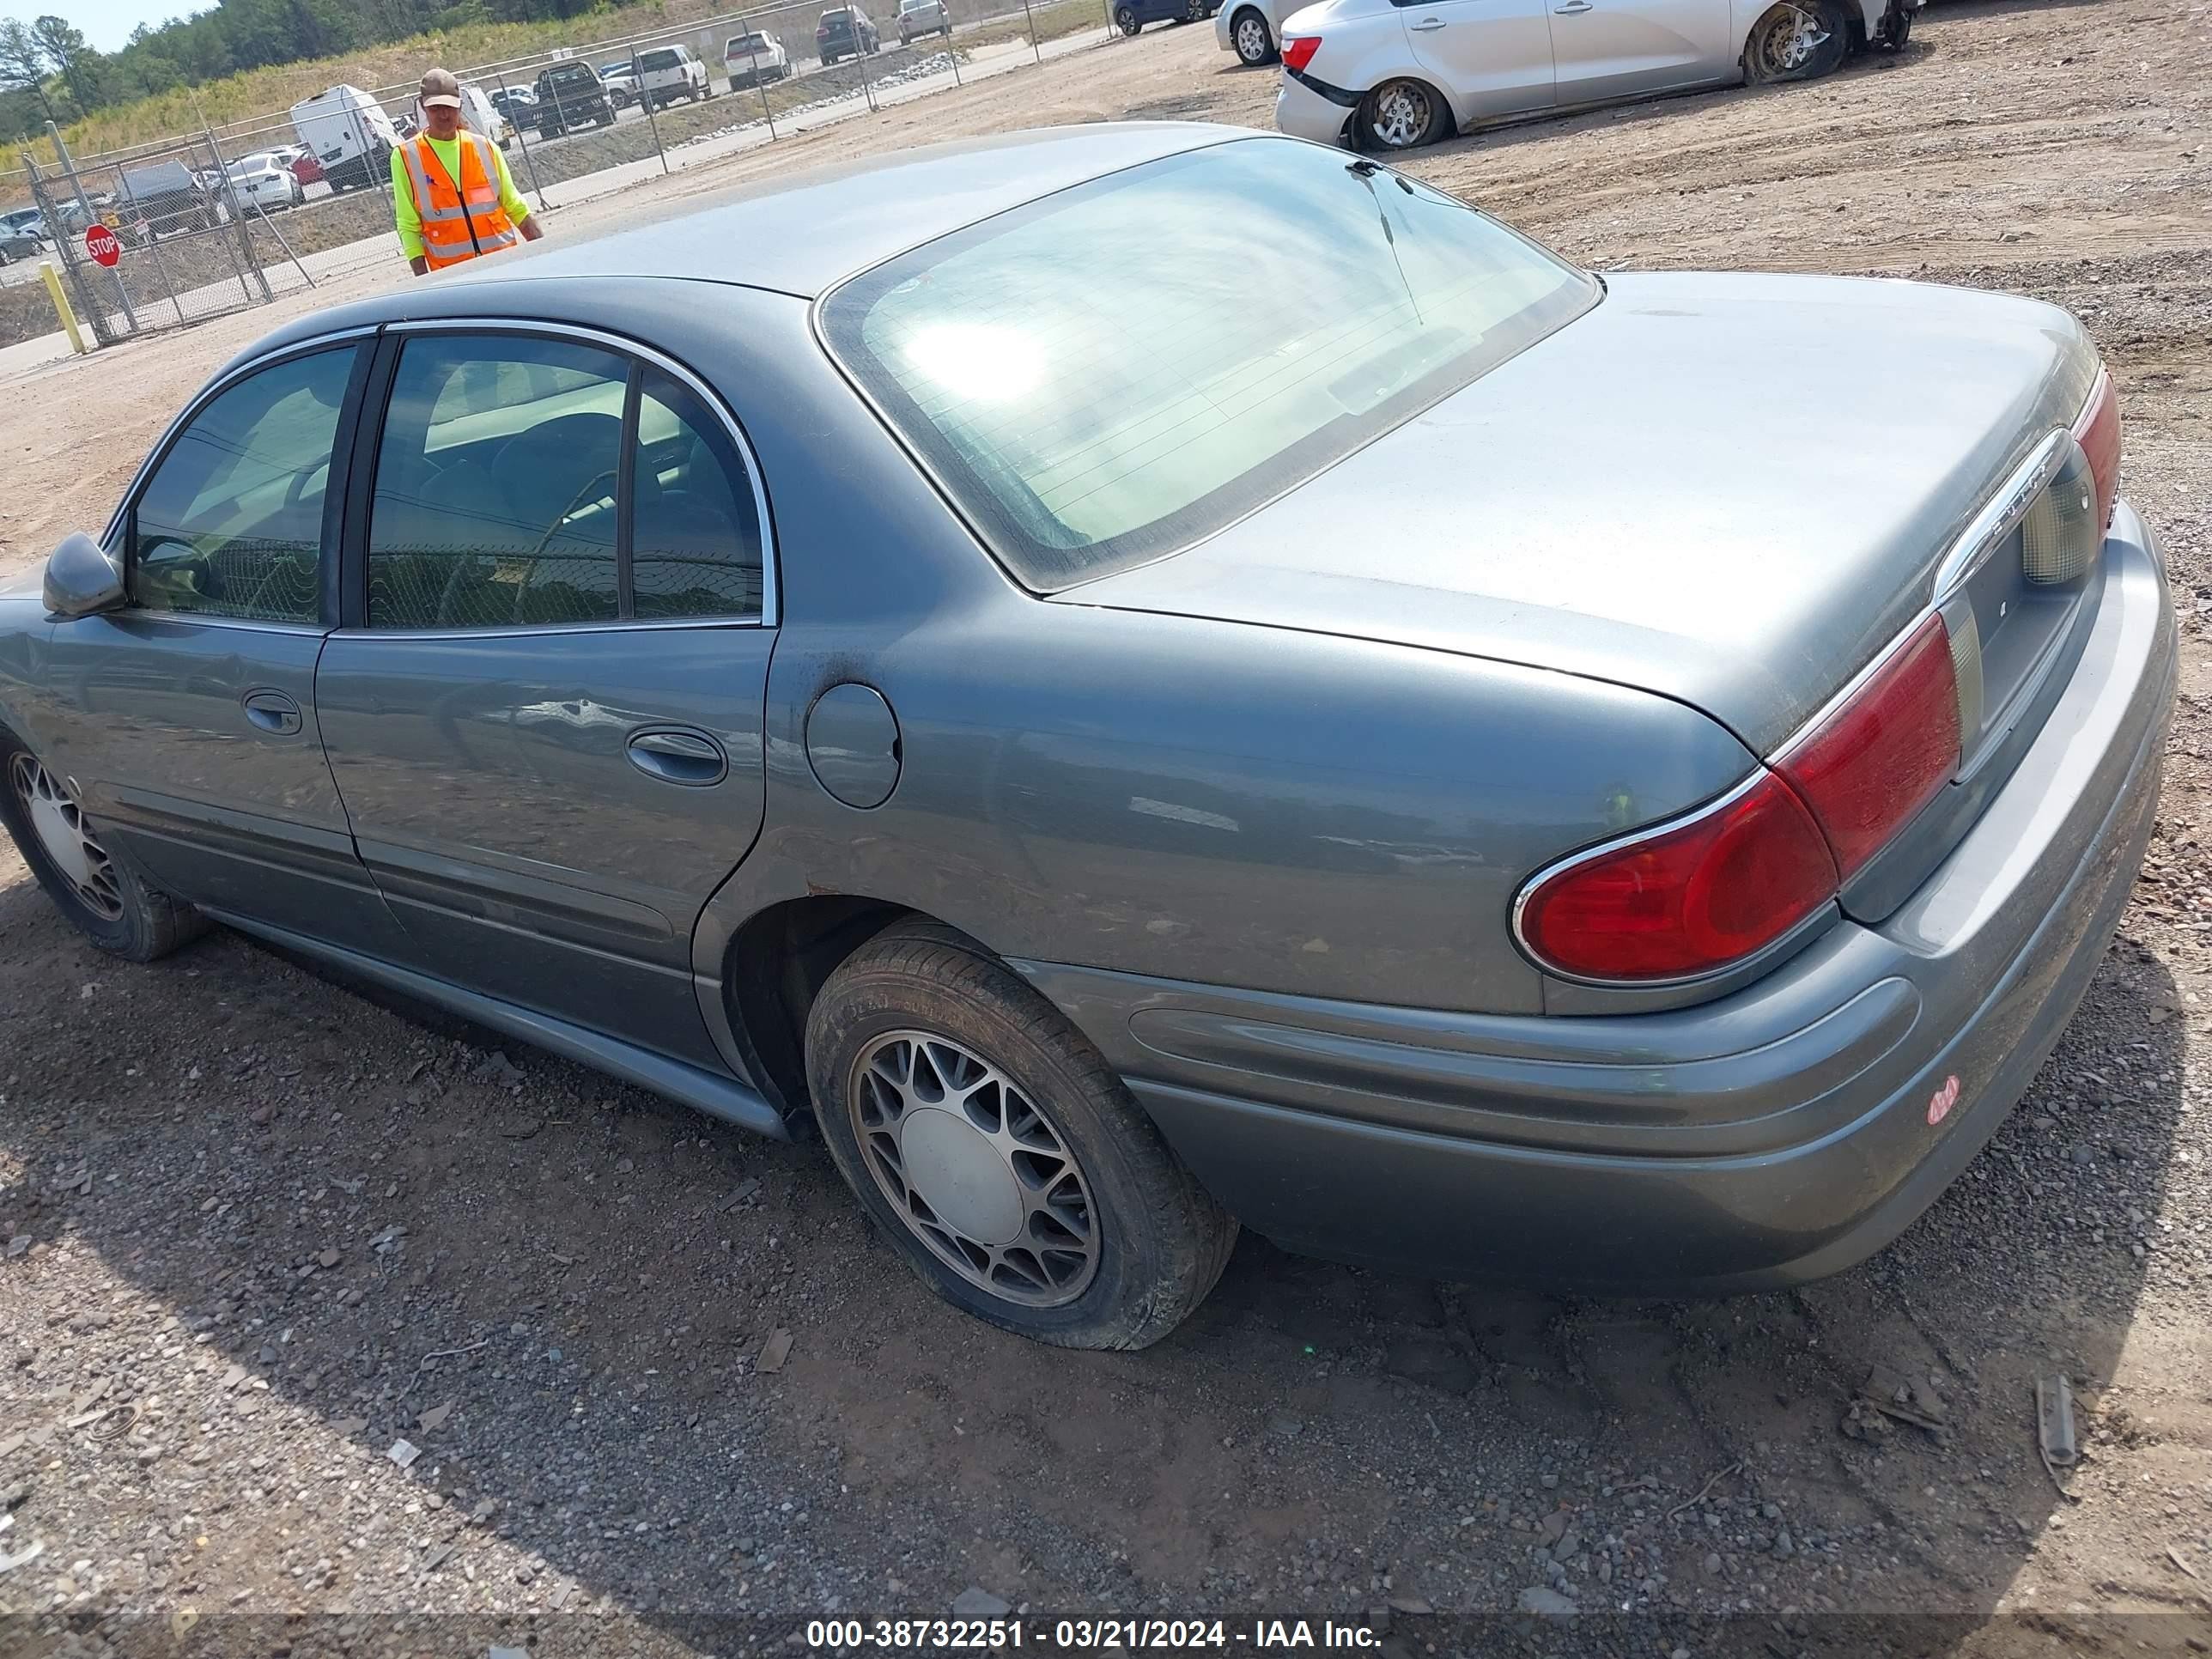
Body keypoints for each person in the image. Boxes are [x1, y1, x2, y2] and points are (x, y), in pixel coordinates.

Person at [392, 68, 544, 276]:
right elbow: (408, 225)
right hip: (454, 278)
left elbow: (514, 205)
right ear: (422, 106)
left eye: (450, 107)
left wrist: (545, 252)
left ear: (460, 104)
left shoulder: (486, 148)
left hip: (505, 268)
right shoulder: (406, 156)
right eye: (436, 108)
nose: (444, 114)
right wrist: (424, 281)